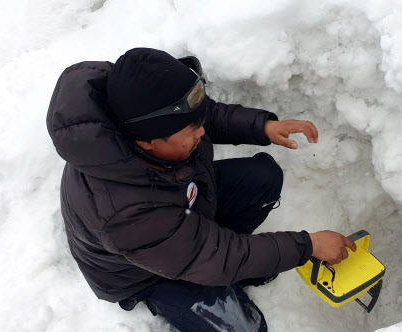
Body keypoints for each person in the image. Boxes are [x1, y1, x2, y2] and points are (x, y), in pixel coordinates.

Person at [46, 47, 356, 332]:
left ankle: (227, 258)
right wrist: (307, 246)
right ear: (148, 142)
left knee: (264, 178)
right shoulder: (125, 214)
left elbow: (207, 115)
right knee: (245, 328)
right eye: (192, 129)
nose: (203, 131)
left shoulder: (145, 113)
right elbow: (218, 258)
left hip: (178, 200)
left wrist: (262, 126)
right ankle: (197, 280)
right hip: (144, 270)